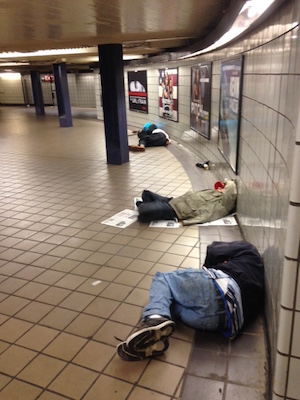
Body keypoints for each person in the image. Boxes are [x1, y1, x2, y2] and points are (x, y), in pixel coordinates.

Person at [117, 240, 264, 361]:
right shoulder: (254, 274)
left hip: (219, 288)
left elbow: (214, 249)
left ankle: (155, 318)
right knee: (171, 301)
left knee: (163, 279)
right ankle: (157, 340)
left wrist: (207, 269)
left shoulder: (249, 250)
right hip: (217, 323)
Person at [136, 179, 237, 225]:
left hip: (174, 211)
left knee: (143, 211)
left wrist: (187, 222)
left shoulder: (221, 205)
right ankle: (151, 208)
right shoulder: (212, 193)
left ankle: (149, 208)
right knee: (146, 193)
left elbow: (231, 188)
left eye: (222, 188)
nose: (219, 189)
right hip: (172, 201)